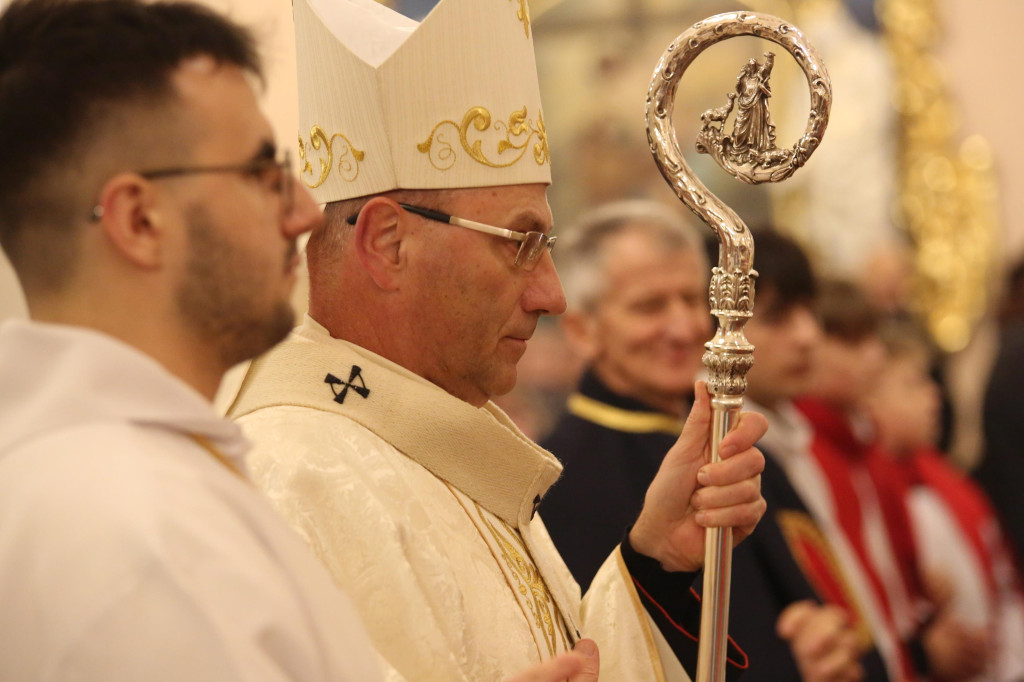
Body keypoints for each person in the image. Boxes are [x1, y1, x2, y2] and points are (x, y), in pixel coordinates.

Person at [0, 2, 598, 681]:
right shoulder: (132, 534)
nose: (306, 211)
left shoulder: (156, 481)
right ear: (140, 220)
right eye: (259, 173)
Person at [225, 1, 767, 680]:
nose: (553, 295)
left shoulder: (442, 439)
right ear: (388, 243)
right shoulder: (286, 476)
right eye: (522, 245)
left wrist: (654, 564)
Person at [543, 220, 879, 682]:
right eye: (649, 307)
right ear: (582, 330)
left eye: (690, 299)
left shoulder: (732, 438)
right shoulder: (559, 479)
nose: (683, 328)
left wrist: (832, 642)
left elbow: (820, 603)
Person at [797, 279, 986, 681]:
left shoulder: (860, 447)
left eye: (872, 340)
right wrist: (919, 648)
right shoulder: (809, 450)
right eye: (854, 344)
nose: (874, 356)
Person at [866, 319, 1024, 681]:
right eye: (912, 384)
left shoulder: (942, 478)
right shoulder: (874, 484)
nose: (933, 395)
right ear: (868, 398)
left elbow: (998, 569)